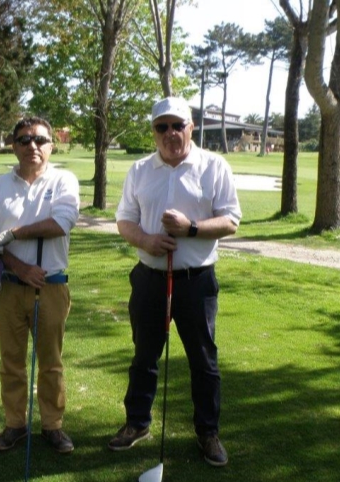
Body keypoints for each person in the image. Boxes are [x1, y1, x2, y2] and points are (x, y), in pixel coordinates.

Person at [108, 97, 242, 467]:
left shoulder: (214, 166)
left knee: (203, 360)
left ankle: (207, 432)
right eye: (161, 127)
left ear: (191, 126)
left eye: (177, 125)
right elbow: (124, 220)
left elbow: (231, 220)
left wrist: (191, 228)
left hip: (195, 281)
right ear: (153, 131)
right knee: (144, 355)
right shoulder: (139, 169)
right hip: (149, 278)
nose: (170, 134)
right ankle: (137, 423)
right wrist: (147, 241)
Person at [0, 117, 80, 454]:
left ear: (51, 145)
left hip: (50, 285)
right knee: (12, 362)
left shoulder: (64, 180)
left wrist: (15, 233)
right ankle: (15, 424)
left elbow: (61, 223)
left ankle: (52, 425)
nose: (32, 146)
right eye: (24, 140)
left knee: (50, 362)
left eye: (40, 140)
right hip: (7, 286)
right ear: (13, 145)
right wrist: (18, 267)